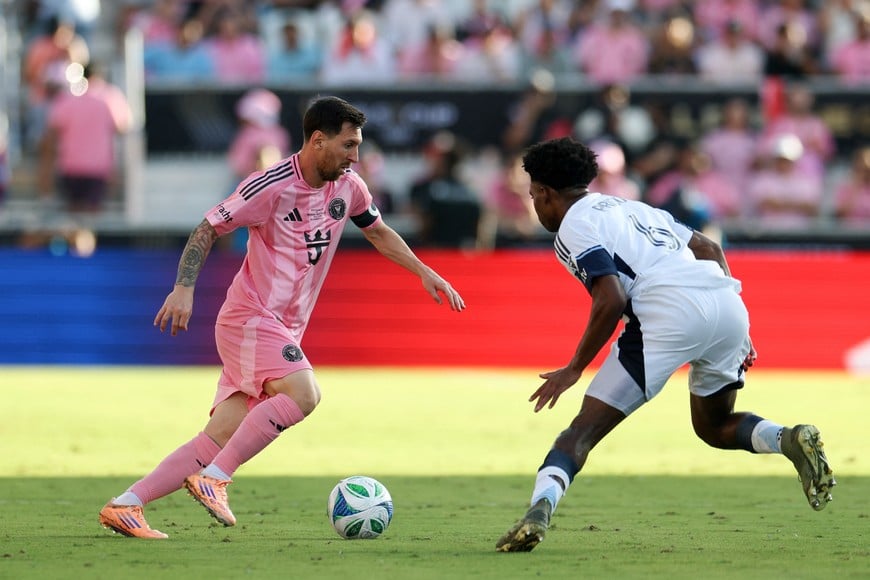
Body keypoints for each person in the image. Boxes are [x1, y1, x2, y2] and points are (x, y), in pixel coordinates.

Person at [98, 96, 466, 539]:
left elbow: (378, 232)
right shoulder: (269, 185)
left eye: (357, 146)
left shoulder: (349, 187)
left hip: (281, 327)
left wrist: (424, 272)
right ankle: (216, 479)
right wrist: (183, 287)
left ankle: (127, 504)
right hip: (250, 318)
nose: (355, 156)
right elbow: (208, 226)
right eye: (348, 146)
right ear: (317, 140)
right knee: (304, 394)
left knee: (217, 438)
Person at [495, 137, 835, 553]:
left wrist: (574, 367)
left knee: (579, 434)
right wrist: (738, 324)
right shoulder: (630, 205)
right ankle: (787, 437)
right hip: (726, 302)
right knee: (713, 426)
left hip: (664, 313)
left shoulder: (572, 228)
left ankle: (538, 510)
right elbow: (708, 247)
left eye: (534, 196)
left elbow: (612, 298)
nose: (535, 205)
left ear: (546, 193)